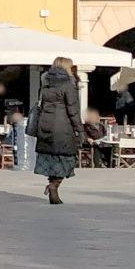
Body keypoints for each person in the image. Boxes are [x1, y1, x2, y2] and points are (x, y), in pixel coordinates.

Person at [30, 56, 83, 204]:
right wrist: (80, 130)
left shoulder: (46, 83)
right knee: (66, 159)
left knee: (53, 160)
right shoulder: (68, 85)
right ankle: (53, 187)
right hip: (62, 128)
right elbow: (73, 111)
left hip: (45, 126)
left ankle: (53, 187)